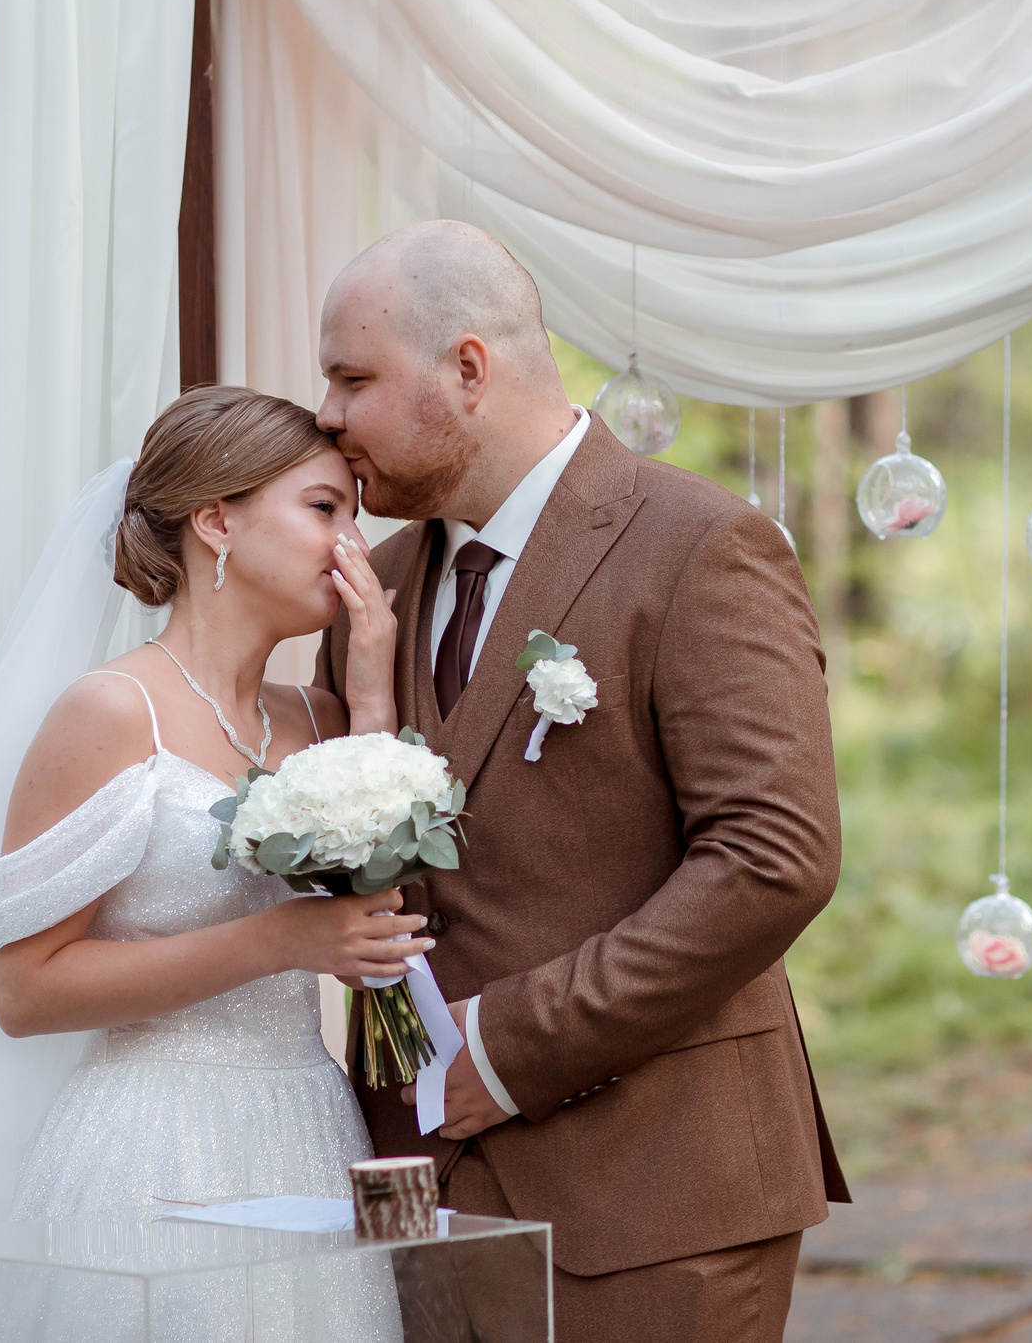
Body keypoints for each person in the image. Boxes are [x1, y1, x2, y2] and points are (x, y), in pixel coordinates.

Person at [312, 220, 847, 1343]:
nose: (326, 416)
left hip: (657, 1190)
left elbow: (771, 860)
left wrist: (503, 1050)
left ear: (468, 368)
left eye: (352, 378)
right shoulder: (380, 587)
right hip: (414, 1188)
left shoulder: (701, 547)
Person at [0, 387, 422, 1342]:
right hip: (151, 1147)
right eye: (324, 509)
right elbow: (25, 991)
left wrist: (374, 685)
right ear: (216, 520)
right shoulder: (108, 713)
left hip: (311, 1130)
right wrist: (276, 938)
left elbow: (377, 917)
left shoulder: (322, 718)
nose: (353, 547)